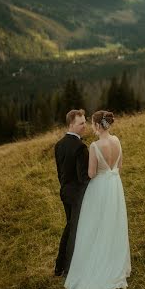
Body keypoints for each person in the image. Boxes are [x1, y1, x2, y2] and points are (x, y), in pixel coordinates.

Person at [64, 110, 131, 289]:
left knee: (95, 225)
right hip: (115, 186)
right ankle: (114, 259)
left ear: (97, 125)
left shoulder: (94, 146)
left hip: (100, 188)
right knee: (113, 223)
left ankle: (97, 264)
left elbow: (91, 173)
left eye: (91, 124)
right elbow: (119, 165)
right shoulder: (117, 141)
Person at [54, 109, 90, 277]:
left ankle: (60, 266)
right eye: (81, 123)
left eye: (85, 122)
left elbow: (60, 173)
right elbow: (83, 178)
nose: (85, 126)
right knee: (73, 229)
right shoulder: (80, 147)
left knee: (70, 226)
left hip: (65, 192)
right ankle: (66, 268)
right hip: (77, 196)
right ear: (71, 124)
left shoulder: (59, 145)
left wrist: (65, 188)